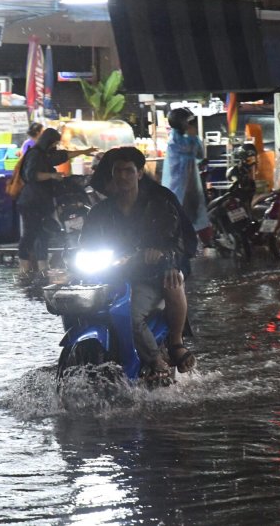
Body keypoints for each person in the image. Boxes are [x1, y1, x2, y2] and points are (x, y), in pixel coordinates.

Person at [81, 146, 197, 378]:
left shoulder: (162, 202)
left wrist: (166, 258)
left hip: (153, 274)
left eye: (128, 171)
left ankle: (166, 353)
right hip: (112, 274)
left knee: (136, 311)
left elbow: (185, 241)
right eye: (118, 171)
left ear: (140, 173)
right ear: (111, 175)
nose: (123, 176)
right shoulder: (101, 211)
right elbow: (85, 244)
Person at [17, 128, 96, 282]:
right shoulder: (35, 154)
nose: (56, 146)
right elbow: (31, 175)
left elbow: (63, 156)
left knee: (43, 233)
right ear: (49, 141)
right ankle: (24, 270)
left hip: (43, 201)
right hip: (31, 201)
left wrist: (84, 151)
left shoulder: (46, 155)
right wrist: (52, 175)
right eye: (54, 143)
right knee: (30, 234)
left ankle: (43, 269)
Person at [162, 108, 211, 245]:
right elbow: (191, 153)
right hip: (180, 188)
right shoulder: (175, 142)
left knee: (195, 214)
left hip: (190, 185)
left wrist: (194, 138)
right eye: (186, 121)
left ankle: (200, 242)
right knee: (182, 217)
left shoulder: (185, 139)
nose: (189, 124)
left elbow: (200, 155)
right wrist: (192, 137)